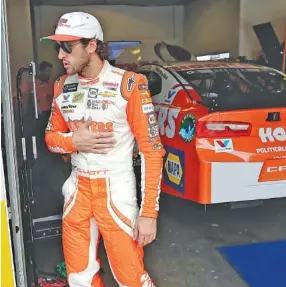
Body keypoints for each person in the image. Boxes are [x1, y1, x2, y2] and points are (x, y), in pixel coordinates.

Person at [41, 11, 165, 287]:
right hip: (77, 189)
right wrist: (74, 142)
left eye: (67, 46)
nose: (60, 55)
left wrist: (149, 214)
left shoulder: (129, 84)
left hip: (116, 189)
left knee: (130, 277)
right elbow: (50, 138)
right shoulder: (62, 86)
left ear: (92, 45)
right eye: (58, 47)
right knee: (78, 277)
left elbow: (152, 150)